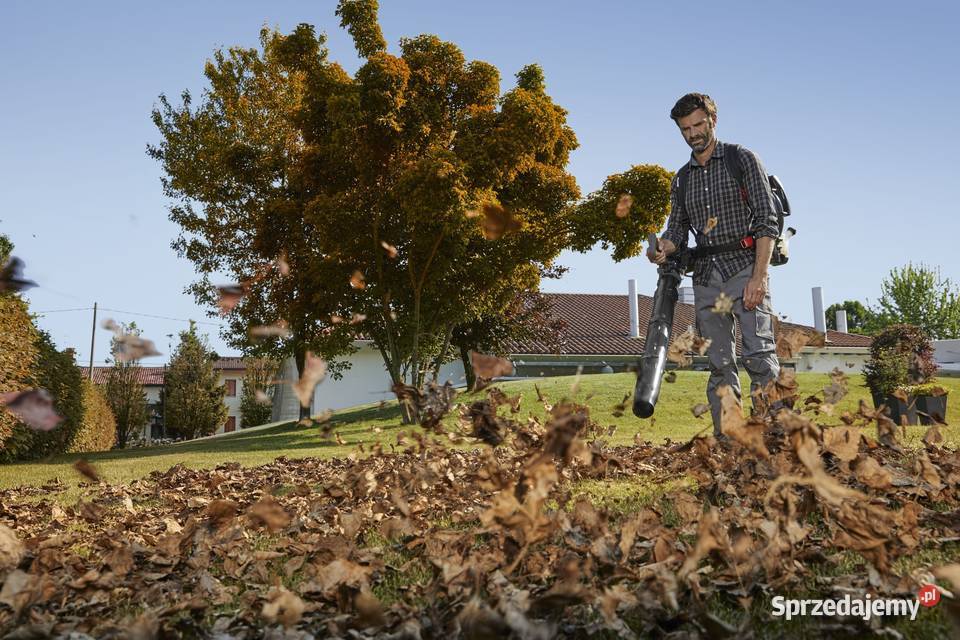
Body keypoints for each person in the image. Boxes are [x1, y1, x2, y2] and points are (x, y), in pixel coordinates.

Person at [648, 93, 781, 435]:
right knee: (720, 366)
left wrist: (759, 277)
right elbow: (677, 229)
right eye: (685, 129)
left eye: (697, 125)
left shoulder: (742, 159)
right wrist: (664, 246)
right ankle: (730, 444)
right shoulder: (682, 179)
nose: (693, 134)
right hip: (707, 278)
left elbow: (767, 220)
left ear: (713, 121)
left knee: (760, 358)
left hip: (744, 268)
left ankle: (776, 439)